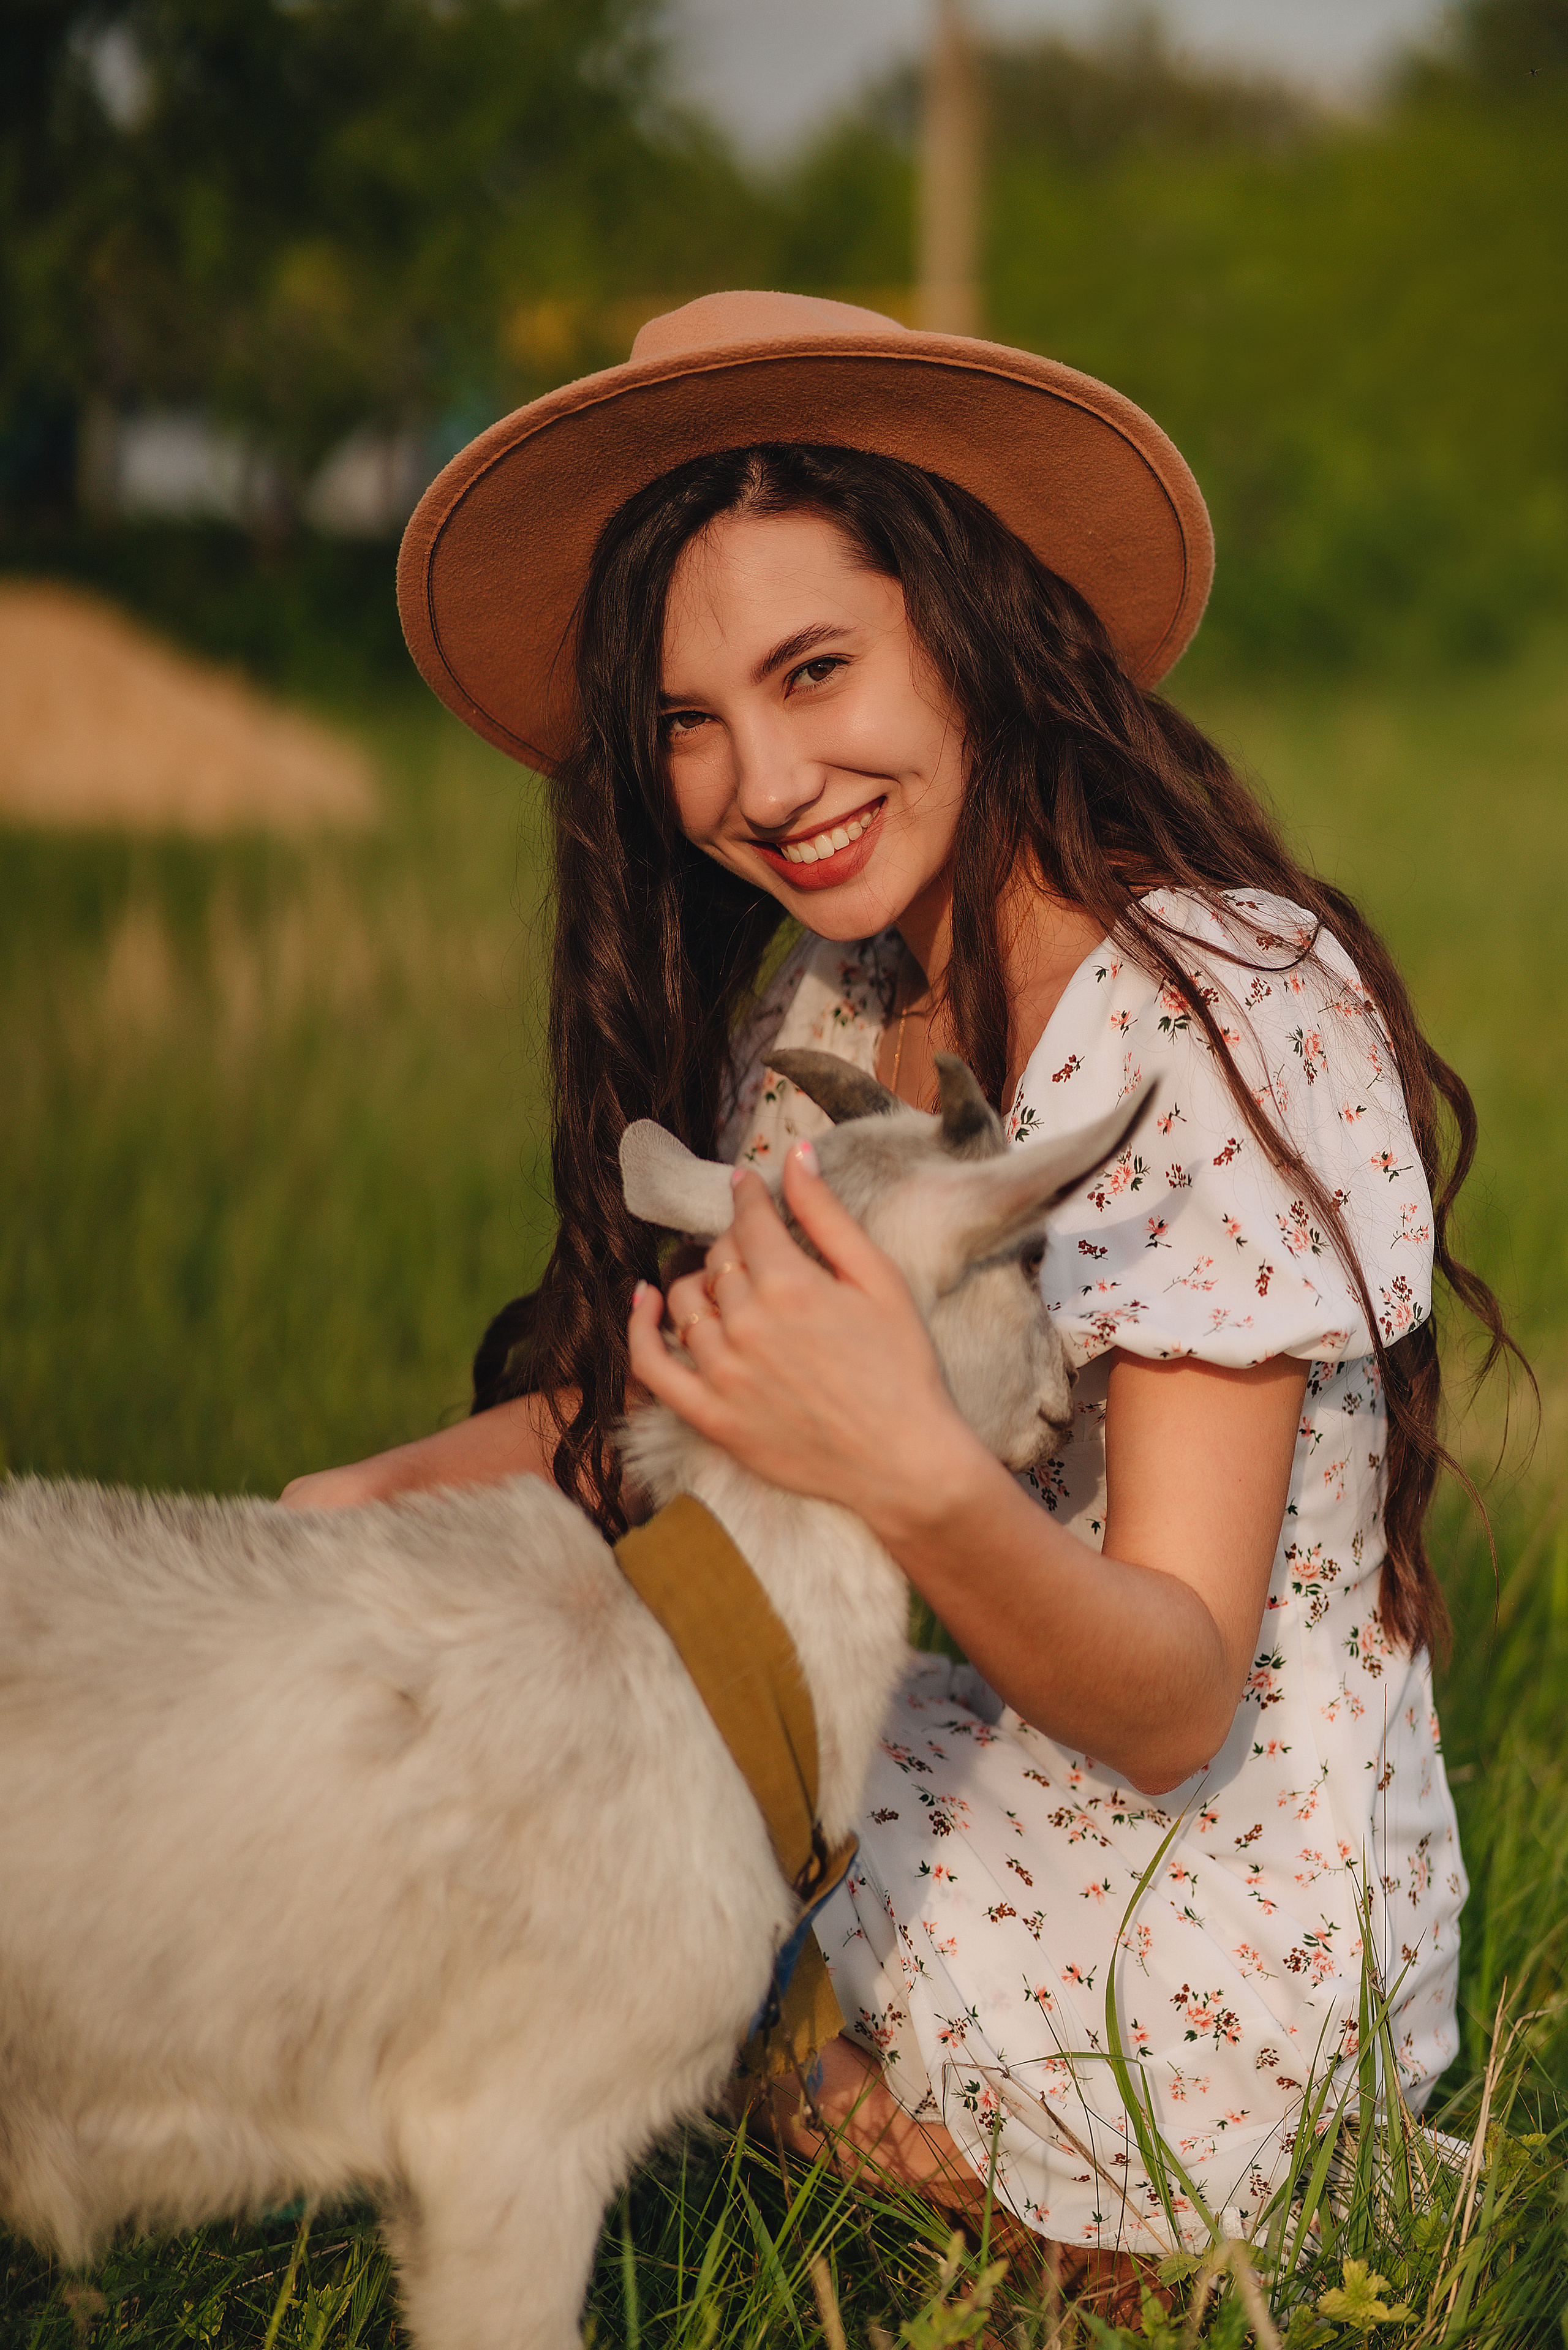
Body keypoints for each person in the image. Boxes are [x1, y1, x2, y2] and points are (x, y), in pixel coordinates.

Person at [284, 292, 1515, 2264]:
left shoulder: (1222, 1015)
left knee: (540, 1856)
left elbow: (1171, 1701)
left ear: (967, 622)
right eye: (688, 723)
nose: (763, 781)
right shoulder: (842, 1011)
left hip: (1207, 1924)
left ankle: (960, 2187)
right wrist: (342, 1516)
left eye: (813, 669)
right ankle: (852, 2125)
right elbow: (676, 1417)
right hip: (979, 1770)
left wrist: (906, 1469)